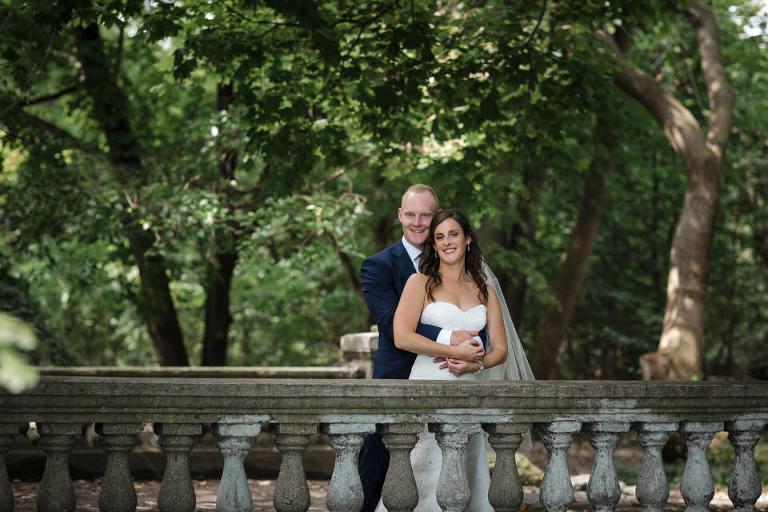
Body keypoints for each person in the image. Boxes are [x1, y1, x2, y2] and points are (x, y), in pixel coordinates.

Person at [357, 185, 485, 512]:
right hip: (396, 379)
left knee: (443, 478)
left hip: (451, 383)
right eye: (410, 214)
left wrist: (473, 353)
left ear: (436, 216)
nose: (418, 222)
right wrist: (451, 339)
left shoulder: (457, 263)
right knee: (375, 471)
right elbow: (389, 323)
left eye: (426, 215)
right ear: (400, 215)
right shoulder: (379, 265)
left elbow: (479, 319)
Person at [384, 209, 509, 512]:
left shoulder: (485, 290)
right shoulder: (420, 283)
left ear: (467, 239)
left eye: (453, 234)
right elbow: (402, 337)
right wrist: (455, 352)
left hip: (468, 391)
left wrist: (474, 365)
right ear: (434, 245)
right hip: (426, 384)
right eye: (439, 237)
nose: (447, 242)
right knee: (423, 468)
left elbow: (500, 349)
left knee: (466, 476)